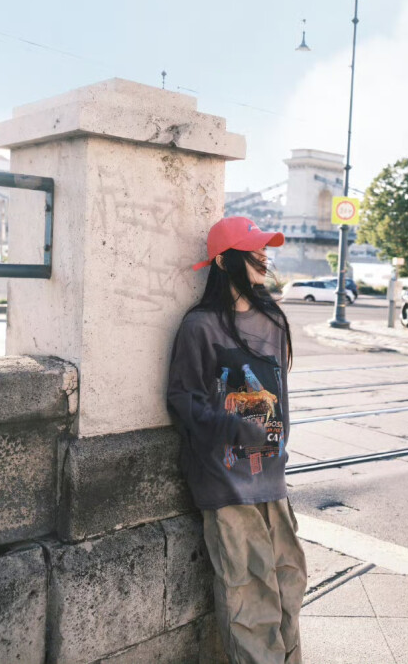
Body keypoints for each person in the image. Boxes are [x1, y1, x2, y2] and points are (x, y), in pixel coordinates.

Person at [167, 216, 307, 663]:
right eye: (254, 250)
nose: (265, 255)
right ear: (226, 261)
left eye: (265, 248)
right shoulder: (200, 327)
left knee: (289, 585)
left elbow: (280, 399)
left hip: (273, 477)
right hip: (224, 481)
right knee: (248, 597)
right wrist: (235, 424)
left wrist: (277, 448)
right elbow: (182, 400)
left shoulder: (273, 321)